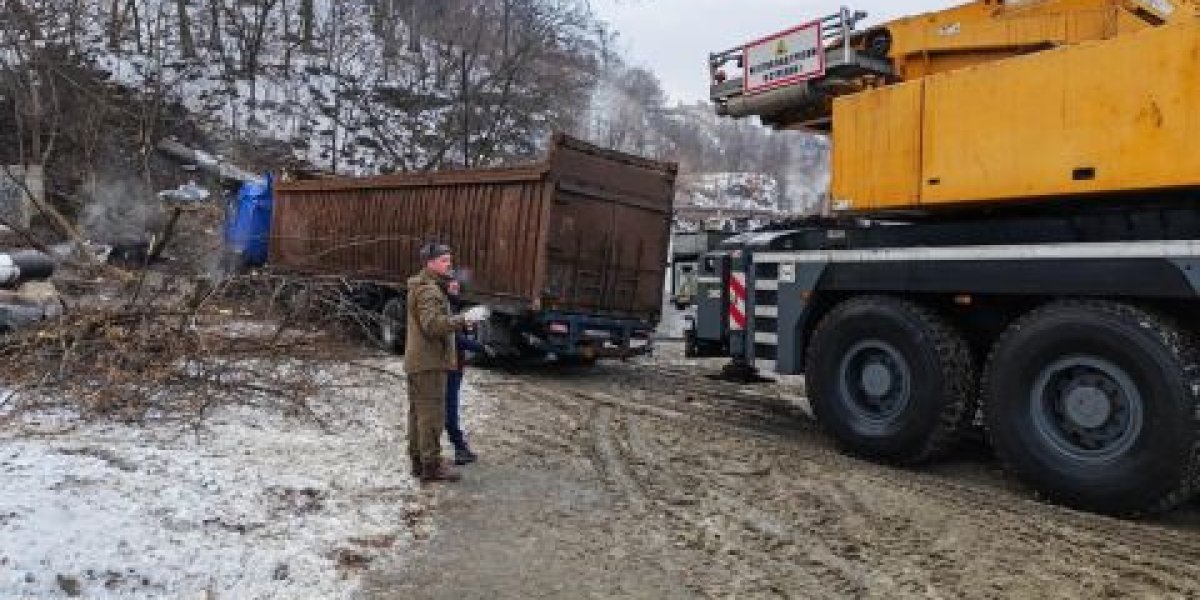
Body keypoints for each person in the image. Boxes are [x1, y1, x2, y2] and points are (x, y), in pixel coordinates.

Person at [405, 243, 489, 483]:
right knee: (431, 417)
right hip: (429, 363)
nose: (449, 264)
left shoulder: (426, 286)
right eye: (443, 260)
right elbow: (432, 326)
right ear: (429, 263)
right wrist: (463, 319)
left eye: (449, 260)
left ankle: (419, 462)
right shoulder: (429, 290)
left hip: (422, 362)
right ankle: (431, 467)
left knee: (418, 415)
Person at [445, 279, 485, 465]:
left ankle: (458, 447)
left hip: (455, 364)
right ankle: (459, 448)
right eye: (452, 286)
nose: (455, 289)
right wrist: (479, 346)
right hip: (448, 366)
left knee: (449, 407)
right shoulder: (446, 308)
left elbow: (460, 336)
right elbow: (454, 339)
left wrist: (469, 328)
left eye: (457, 287)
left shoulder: (455, 308)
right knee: (449, 408)